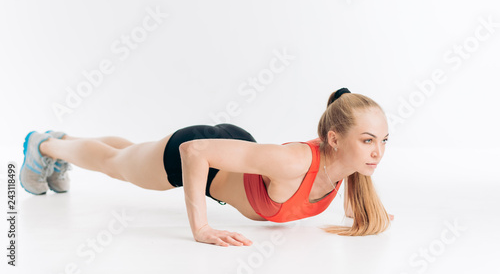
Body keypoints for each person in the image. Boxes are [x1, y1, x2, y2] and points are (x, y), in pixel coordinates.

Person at [20, 87, 394, 247]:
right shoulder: (294, 161)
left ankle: (61, 146)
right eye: (367, 140)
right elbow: (195, 151)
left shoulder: (347, 170)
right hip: (201, 156)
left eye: (382, 141)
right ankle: (44, 144)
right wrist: (201, 228)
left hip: (235, 149)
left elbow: (337, 194)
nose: (377, 151)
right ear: (333, 139)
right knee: (116, 164)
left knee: (131, 153)